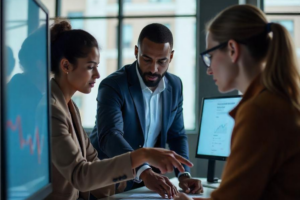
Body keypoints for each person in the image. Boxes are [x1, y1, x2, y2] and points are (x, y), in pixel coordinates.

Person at [46, 21, 193, 200]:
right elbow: (85, 171)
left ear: (170, 57)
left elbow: (91, 160)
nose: (98, 75)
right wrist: (143, 158)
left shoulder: (70, 106)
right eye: (91, 66)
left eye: (161, 61)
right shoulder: (52, 110)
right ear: (66, 66)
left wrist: (179, 181)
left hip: (119, 183)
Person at [174, 4, 300, 200]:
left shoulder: (260, 112)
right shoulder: (279, 101)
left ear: (232, 49)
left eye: (210, 56)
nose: (208, 69)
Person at [89, 23, 202, 197]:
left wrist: (183, 174)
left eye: (161, 61)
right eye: (147, 59)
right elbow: (110, 136)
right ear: (136, 52)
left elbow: (176, 135)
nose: (153, 69)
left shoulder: (175, 85)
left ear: (170, 57)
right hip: (108, 184)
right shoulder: (113, 85)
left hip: (145, 185)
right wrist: (144, 170)